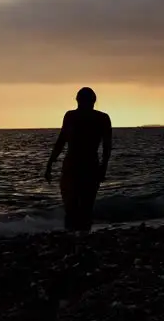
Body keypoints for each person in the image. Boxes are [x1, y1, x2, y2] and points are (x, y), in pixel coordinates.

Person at [44, 87, 113, 233]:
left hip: (77, 166)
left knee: (76, 207)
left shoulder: (75, 116)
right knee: (81, 207)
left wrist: (50, 163)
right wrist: (103, 167)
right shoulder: (100, 118)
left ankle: (76, 236)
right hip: (83, 166)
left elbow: (61, 142)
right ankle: (80, 236)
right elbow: (107, 147)